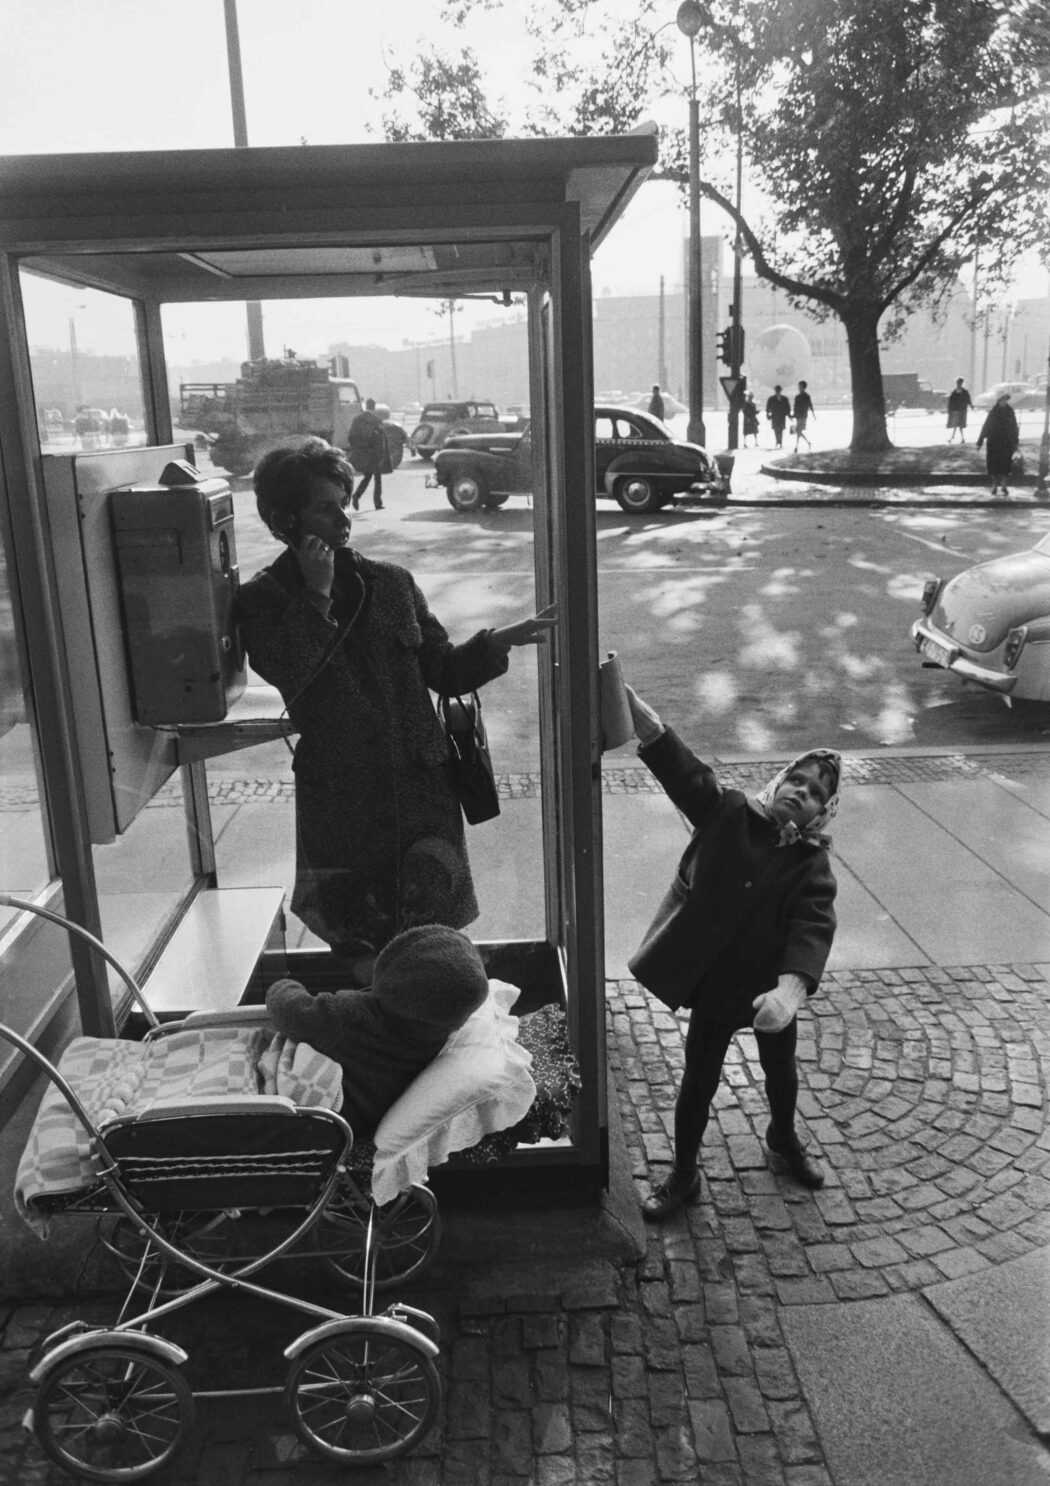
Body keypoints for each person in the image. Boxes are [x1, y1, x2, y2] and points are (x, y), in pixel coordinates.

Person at [236, 438, 556, 983]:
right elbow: (288, 672)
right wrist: (316, 596)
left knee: (435, 945)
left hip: (420, 789)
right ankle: (381, 1047)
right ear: (285, 518)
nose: (344, 516)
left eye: (344, 502)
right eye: (326, 506)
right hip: (344, 802)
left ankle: (442, 1045)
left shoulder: (390, 583)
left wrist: (497, 641)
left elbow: (443, 671)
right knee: (360, 945)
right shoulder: (261, 600)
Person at [622, 682, 839, 1223]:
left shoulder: (811, 864)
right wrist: (646, 726)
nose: (801, 792)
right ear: (778, 779)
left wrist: (791, 989)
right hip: (718, 987)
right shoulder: (730, 813)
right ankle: (684, 1174)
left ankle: (782, 1136)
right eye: (796, 779)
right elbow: (686, 776)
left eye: (814, 792)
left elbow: (813, 925)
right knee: (699, 1078)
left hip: (767, 991)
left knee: (781, 1071)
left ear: (821, 813)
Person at [266, 923, 489, 1135]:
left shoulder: (351, 1017)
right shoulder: (437, 1030)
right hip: (367, 1119)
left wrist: (284, 985)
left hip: (332, 1115)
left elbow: (288, 1011)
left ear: (389, 968)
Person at [347, 397, 389, 510]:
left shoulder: (357, 419)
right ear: (374, 407)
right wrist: (382, 455)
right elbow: (381, 440)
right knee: (377, 479)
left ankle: (357, 496)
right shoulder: (377, 420)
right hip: (375, 455)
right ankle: (377, 503)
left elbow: (350, 436)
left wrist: (357, 449)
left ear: (366, 406)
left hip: (363, 454)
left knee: (368, 476)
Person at [976, 392, 1020, 496]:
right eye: (1003, 400)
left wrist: (1015, 442)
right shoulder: (993, 412)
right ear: (999, 401)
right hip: (993, 442)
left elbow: (1014, 427)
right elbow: (986, 426)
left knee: (1005, 466)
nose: (1004, 402)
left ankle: (1004, 487)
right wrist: (980, 442)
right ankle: (994, 486)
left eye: (1006, 400)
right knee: (993, 466)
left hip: (1006, 443)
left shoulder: (1010, 411)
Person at [946, 379, 972, 443]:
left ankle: (956, 438)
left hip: (961, 410)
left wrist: (971, 405)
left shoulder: (963, 392)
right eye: (958, 383)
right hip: (956, 410)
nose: (958, 384)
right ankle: (956, 437)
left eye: (959, 383)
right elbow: (951, 401)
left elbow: (968, 399)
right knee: (957, 425)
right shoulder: (956, 391)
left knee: (959, 425)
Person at [792, 381, 815, 450]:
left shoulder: (806, 396)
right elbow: (795, 407)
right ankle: (807, 443)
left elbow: (810, 405)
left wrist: (813, 414)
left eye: (800, 387)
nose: (799, 388)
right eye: (799, 387)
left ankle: (797, 446)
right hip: (798, 415)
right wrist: (793, 415)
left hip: (803, 415)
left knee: (798, 430)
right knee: (798, 431)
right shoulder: (797, 397)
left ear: (803, 387)